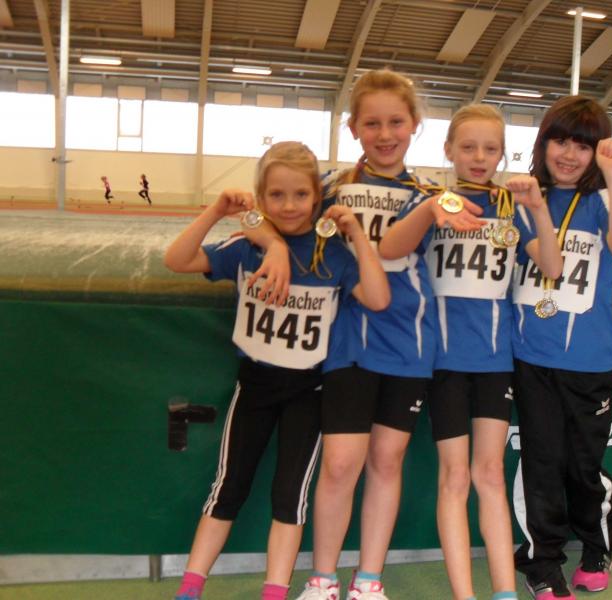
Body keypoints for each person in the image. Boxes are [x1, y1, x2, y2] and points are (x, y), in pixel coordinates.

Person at [164, 141, 390, 600]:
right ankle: (190, 587)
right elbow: (177, 259)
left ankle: (274, 591)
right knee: (228, 487)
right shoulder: (246, 247)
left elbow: (378, 298)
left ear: (316, 197)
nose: (289, 206)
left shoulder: (332, 255)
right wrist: (217, 211)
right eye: (277, 195)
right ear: (261, 197)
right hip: (255, 386)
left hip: (309, 392)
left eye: (301, 195)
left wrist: (357, 236)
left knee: (290, 497)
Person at [245, 69, 440, 600]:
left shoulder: (431, 195)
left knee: (386, 462)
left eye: (396, 122)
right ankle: (323, 578)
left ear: (414, 125)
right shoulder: (330, 185)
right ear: (353, 127)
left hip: (407, 347)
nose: (385, 134)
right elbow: (257, 214)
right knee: (338, 465)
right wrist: (276, 245)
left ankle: (369, 579)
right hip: (344, 345)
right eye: (372, 123)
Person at [380, 104, 562, 600]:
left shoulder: (512, 206)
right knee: (455, 477)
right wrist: (427, 211)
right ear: (448, 150)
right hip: (441, 364)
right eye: (468, 147)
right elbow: (389, 249)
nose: (479, 157)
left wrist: (539, 208)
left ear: (503, 154)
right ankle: (465, 594)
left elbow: (551, 266)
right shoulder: (431, 201)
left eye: (490, 149)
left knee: (490, 475)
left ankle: (504, 592)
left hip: (494, 362)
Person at [509, 95, 612, 600]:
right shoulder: (524, 199)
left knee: (583, 467)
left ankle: (598, 545)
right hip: (532, 358)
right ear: (543, 144)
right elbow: (544, 263)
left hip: (589, 362)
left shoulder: (603, 198)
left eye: (582, 146)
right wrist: (536, 206)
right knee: (540, 463)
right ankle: (542, 563)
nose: (569, 154)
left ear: (596, 152)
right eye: (560, 142)